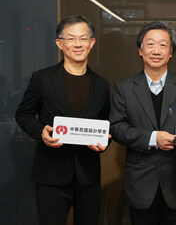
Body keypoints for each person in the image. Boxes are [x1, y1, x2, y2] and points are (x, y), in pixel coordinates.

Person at [15, 15, 111, 224]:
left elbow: (106, 124)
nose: (78, 44)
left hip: (88, 176)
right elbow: (23, 114)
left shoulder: (102, 85)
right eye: (71, 39)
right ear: (60, 43)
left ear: (92, 42)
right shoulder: (42, 78)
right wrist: (41, 132)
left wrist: (104, 142)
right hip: (51, 174)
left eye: (83, 38)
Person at [109, 20, 176, 225]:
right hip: (140, 185)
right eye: (150, 44)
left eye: (163, 45)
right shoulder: (124, 87)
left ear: (171, 53)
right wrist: (153, 138)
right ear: (140, 50)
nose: (156, 50)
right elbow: (116, 127)